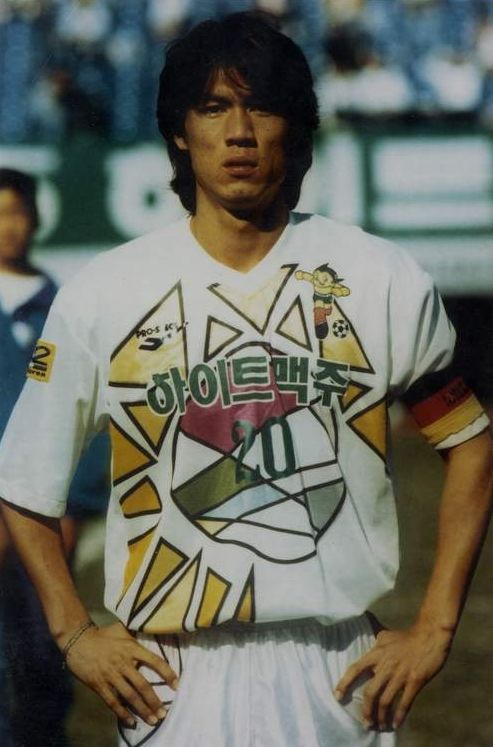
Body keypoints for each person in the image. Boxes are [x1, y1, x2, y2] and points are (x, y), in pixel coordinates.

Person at [0, 12, 491, 747]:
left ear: (295, 127)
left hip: (336, 666)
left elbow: (470, 443)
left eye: (261, 106)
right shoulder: (105, 292)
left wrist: (434, 629)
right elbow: (22, 478)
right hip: (173, 674)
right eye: (212, 108)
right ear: (178, 131)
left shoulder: (379, 277)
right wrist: (74, 633)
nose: (238, 133)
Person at [0, 167, 109, 747]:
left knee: (43, 650)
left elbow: (95, 419)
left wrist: (70, 508)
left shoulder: (66, 309)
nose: (7, 227)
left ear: (36, 219)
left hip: (43, 516)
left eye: (16, 213)